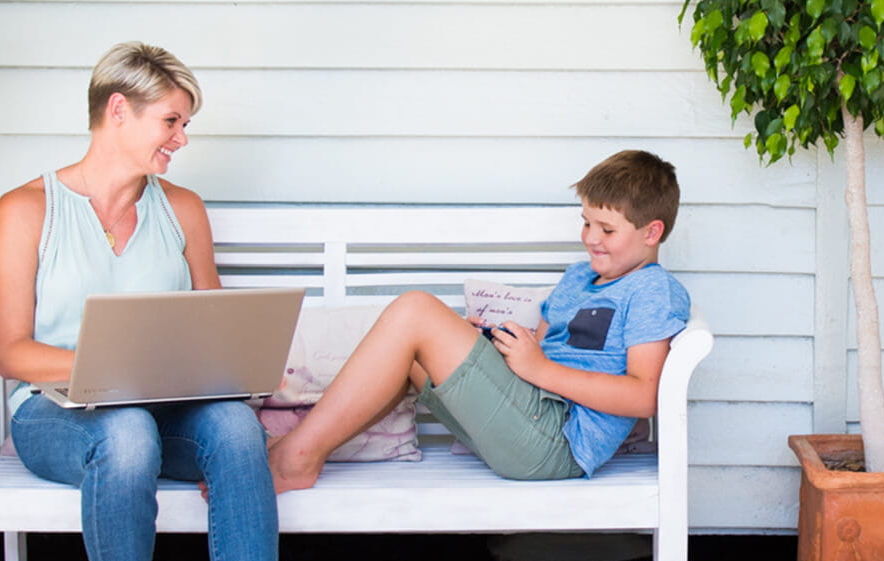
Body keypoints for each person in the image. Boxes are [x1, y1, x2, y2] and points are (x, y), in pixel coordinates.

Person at [0, 42, 285, 561]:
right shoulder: (26, 209)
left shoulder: (182, 210)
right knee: (125, 433)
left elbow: (216, 328)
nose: (180, 139)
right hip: (57, 413)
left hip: (164, 408)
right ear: (118, 110)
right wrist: (109, 369)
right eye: (171, 121)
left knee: (232, 430)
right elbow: (12, 352)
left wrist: (235, 374)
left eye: (184, 125)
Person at [266, 150, 691, 492]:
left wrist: (540, 369)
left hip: (560, 443)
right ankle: (311, 450)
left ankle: (296, 457)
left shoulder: (651, 290)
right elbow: (539, 354)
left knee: (416, 310)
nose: (590, 238)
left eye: (607, 229)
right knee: (413, 352)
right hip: (529, 417)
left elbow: (645, 396)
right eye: (585, 222)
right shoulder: (579, 277)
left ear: (651, 233)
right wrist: (492, 347)